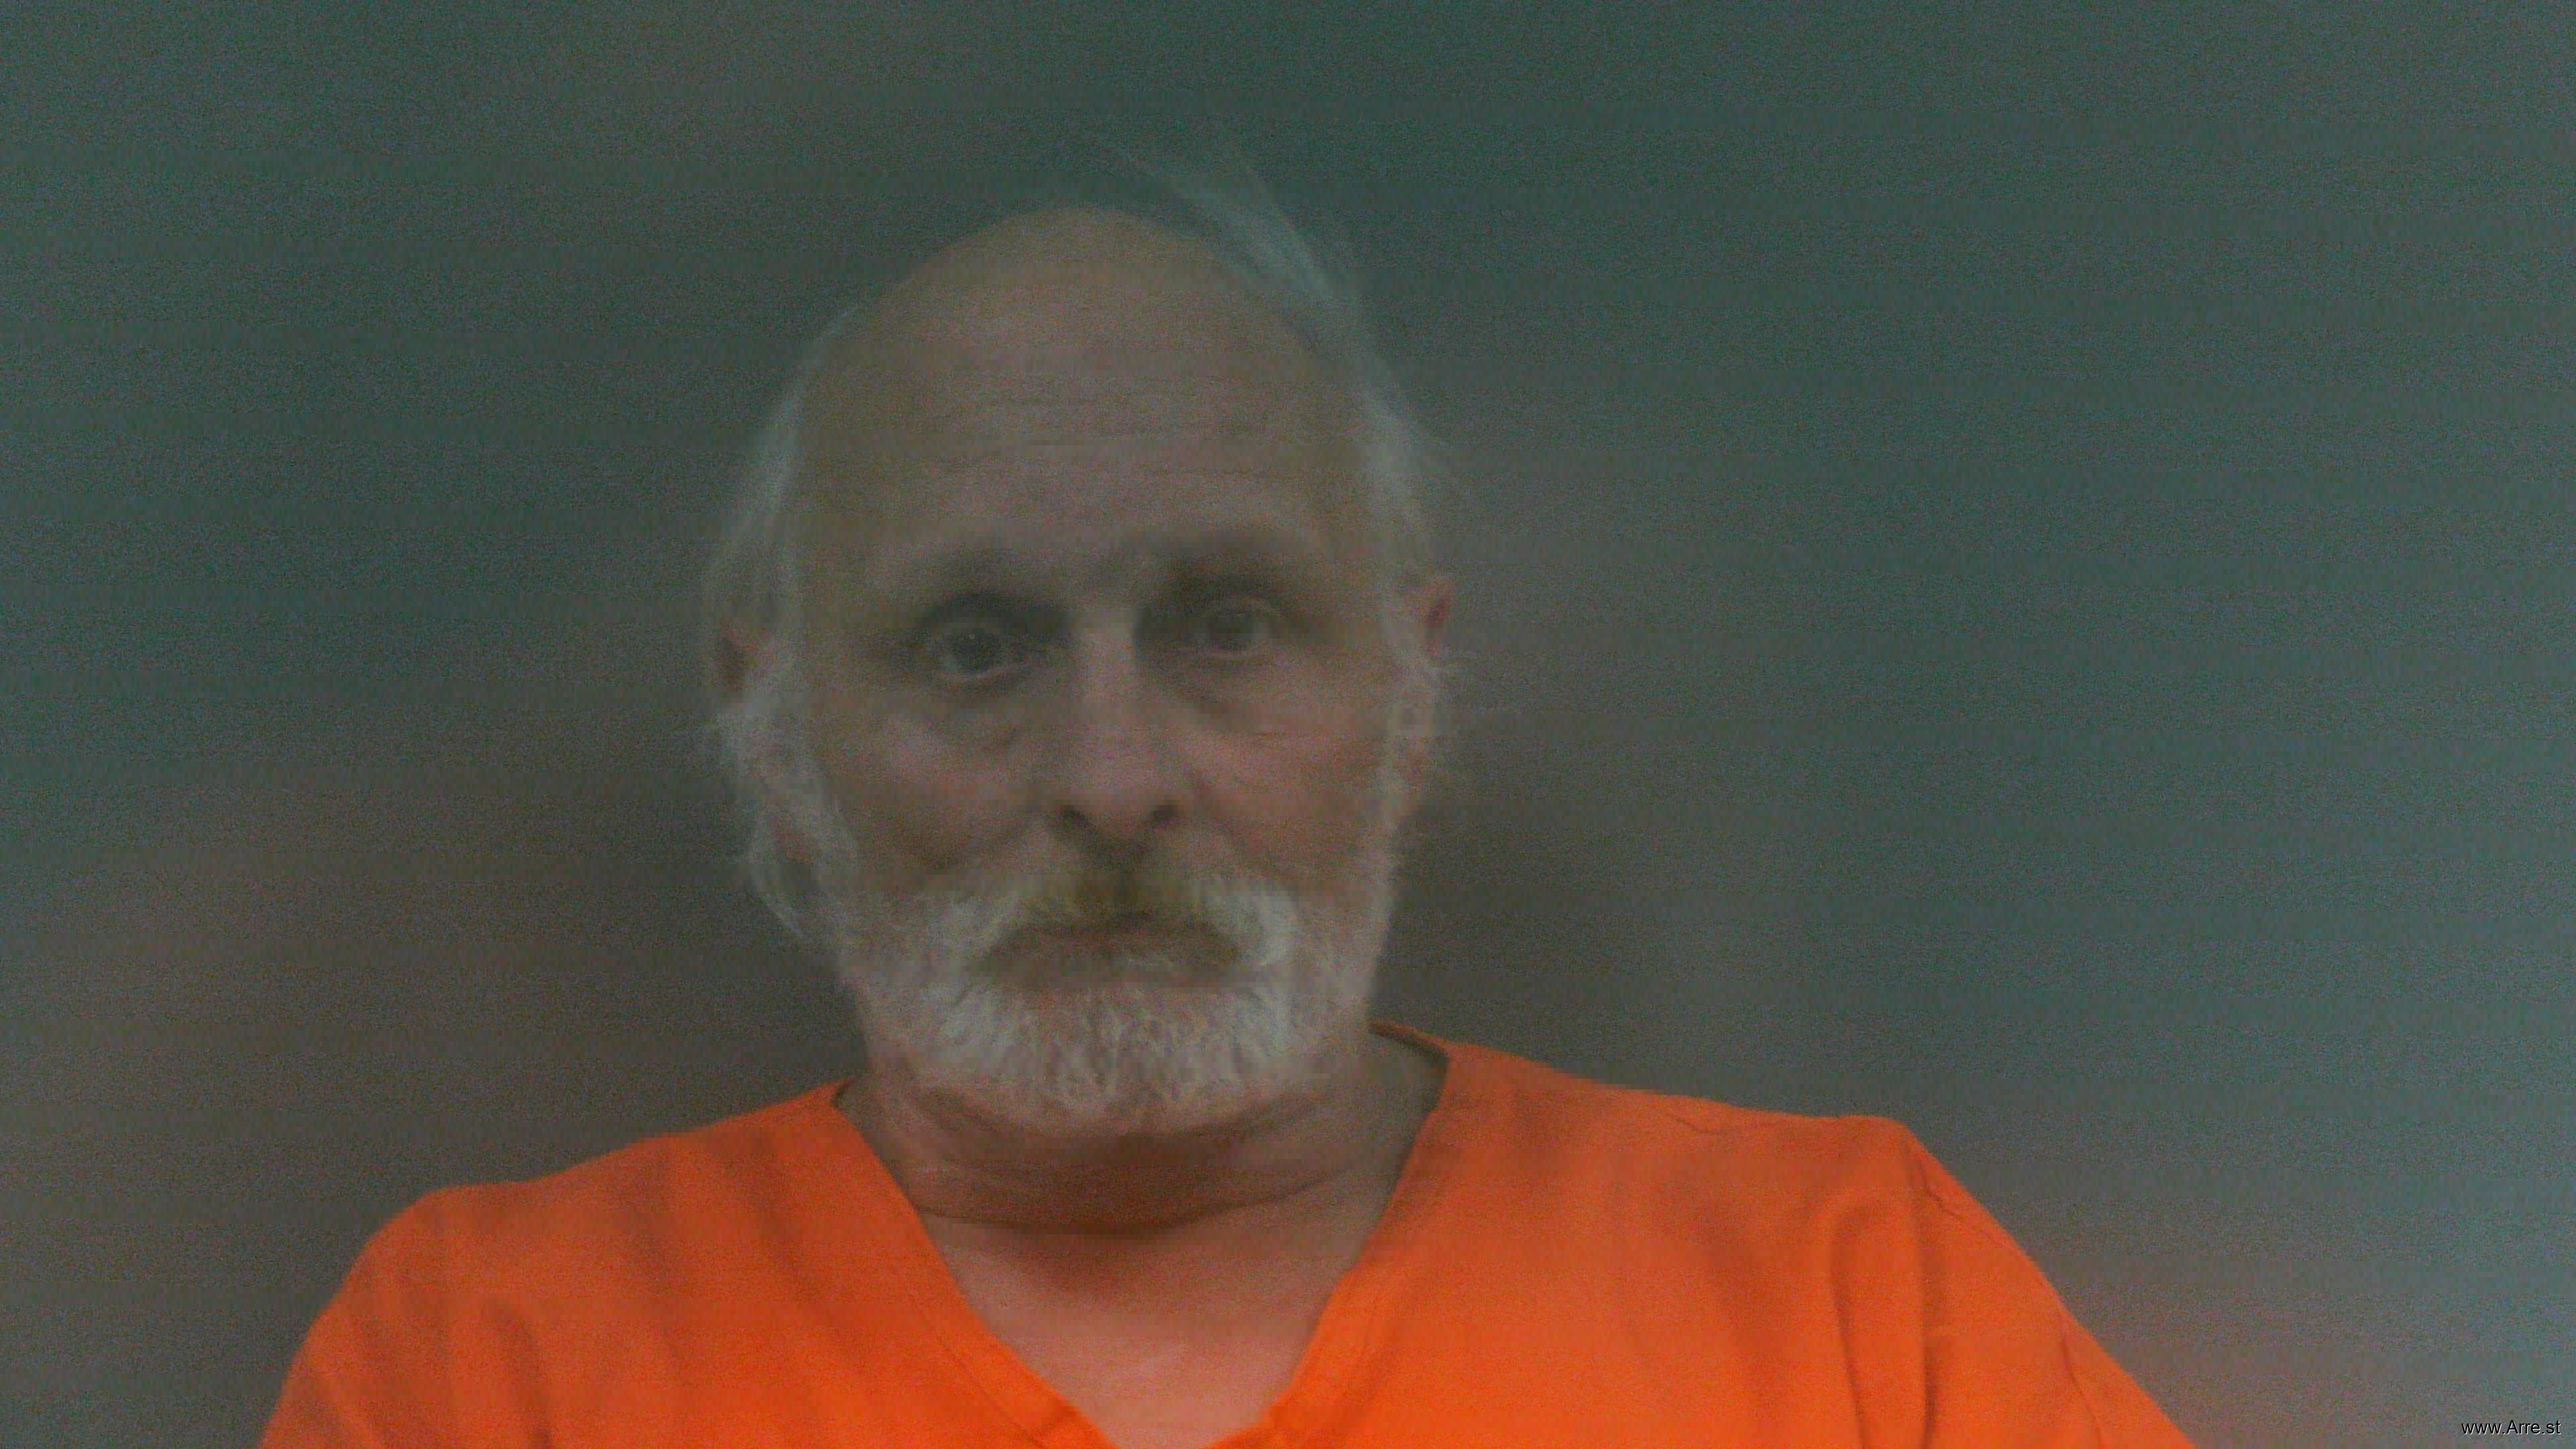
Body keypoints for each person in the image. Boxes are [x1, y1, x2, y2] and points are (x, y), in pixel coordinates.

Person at [258, 158, 2194, 1448]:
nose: (1113, 781)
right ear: (773, 742)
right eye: (976, 647)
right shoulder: (493, 1358)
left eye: (1229, 628)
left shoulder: (1851, 1304)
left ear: (1414, 700)